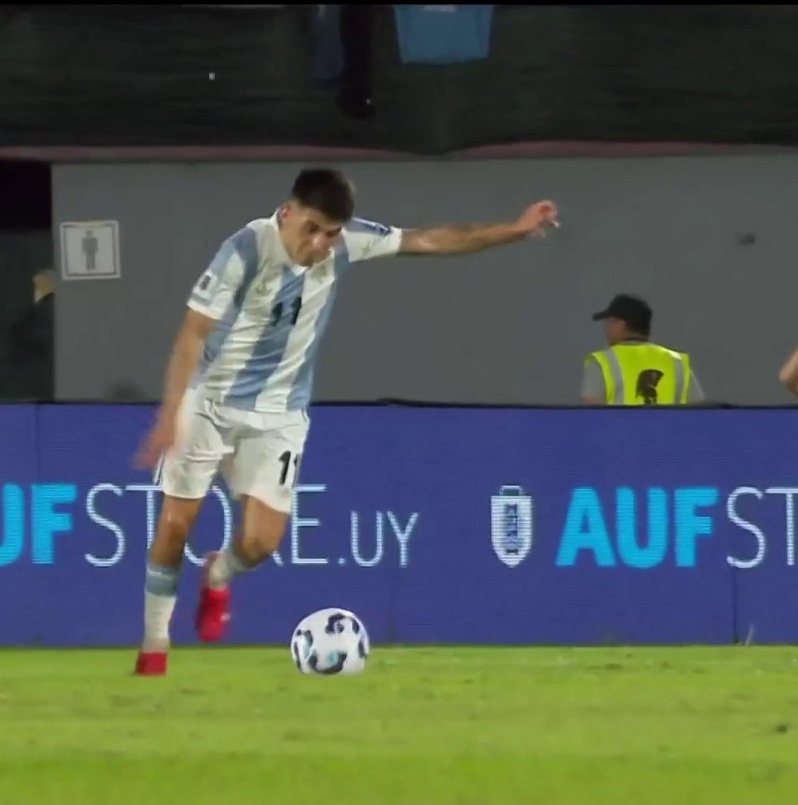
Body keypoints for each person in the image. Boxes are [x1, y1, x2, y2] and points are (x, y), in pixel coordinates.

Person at [132, 167, 559, 675]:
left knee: (259, 545)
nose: (319, 243)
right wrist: (169, 413)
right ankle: (155, 647)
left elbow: (430, 240)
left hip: (280, 415)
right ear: (287, 214)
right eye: (310, 228)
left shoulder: (346, 244)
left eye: (331, 233)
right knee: (176, 525)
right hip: (210, 405)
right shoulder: (246, 249)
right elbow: (192, 334)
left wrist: (512, 230)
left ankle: (218, 574)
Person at [581, 293, 705, 405]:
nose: (605, 329)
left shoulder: (603, 362)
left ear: (619, 324)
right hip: (667, 430)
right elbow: (699, 411)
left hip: (620, 430)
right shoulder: (676, 362)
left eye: (608, 323)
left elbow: (592, 413)